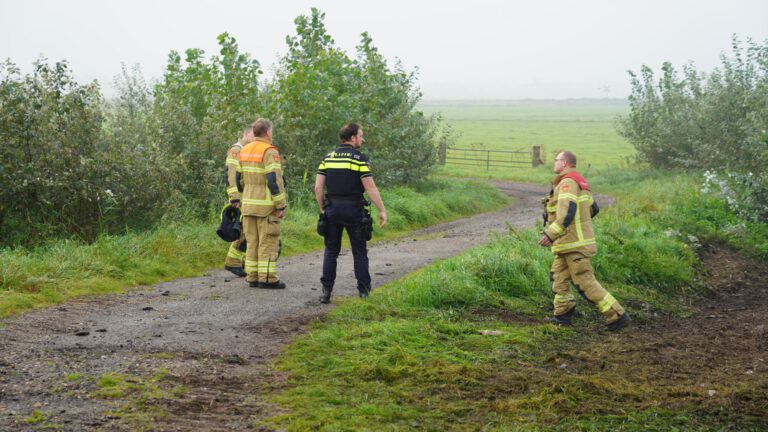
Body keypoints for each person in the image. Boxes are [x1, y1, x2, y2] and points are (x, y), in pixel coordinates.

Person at [538, 150, 630, 331]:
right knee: (558, 279)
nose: (554, 163)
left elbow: (567, 212)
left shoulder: (567, 184)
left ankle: (617, 315)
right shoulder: (580, 182)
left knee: (585, 282)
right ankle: (563, 315)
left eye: (556, 160)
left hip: (574, 245)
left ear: (564, 163)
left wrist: (551, 234)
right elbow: (593, 209)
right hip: (567, 244)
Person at [314, 123, 387, 303]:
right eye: (361, 135)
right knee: (359, 251)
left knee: (331, 251)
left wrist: (322, 208)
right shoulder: (359, 159)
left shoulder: (328, 158)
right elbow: (369, 186)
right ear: (353, 137)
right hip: (354, 210)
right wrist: (382, 210)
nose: (362, 139)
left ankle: (326, 292)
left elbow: (318, 186)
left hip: (332, 210)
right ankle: (363, 291)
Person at [237, 118, 287, 289]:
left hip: (248, 205)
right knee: (267, 242)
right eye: (271, 131)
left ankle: (252, 276)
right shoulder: (269, 151)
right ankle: (267, 279)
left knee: (252, 242)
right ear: (267, 132)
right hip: (265, 207)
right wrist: (280, 204)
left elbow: (239, 180)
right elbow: (274, 180)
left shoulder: (244, 150)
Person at [223, 123, 255, 277]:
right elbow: (230, 174)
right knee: (244, 230)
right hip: (240, 198)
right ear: (247, 134)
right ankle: (232, 262)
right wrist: (234, 197)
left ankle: (239, 261)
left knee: (246, 229)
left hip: (246, 196)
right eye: (254, 136)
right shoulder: (236, 150)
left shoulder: (246, 150)